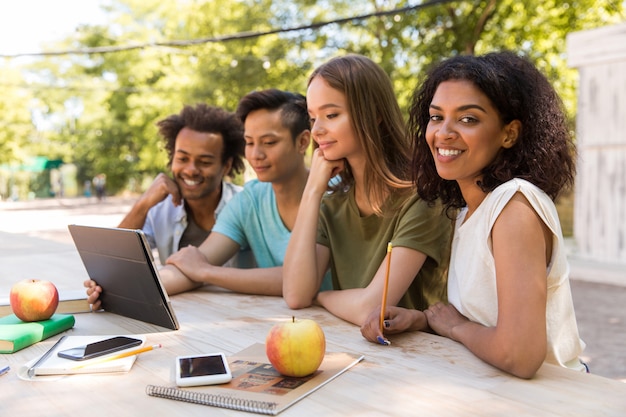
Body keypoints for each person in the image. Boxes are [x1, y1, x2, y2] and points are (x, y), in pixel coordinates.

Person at [360, 51, 586, 379]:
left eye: (468, 119)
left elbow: (519, 355)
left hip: (552, 401)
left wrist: (456, 327)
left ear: (509, 133)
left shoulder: (513, 206)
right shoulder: (469, 211)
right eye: (437, 117)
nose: (444, 133)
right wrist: (424, 320)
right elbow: (487, 320)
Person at [86, 89, 312, 309]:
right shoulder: (247, 202)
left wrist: (206, 272)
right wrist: (116, 289)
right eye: (250, 143)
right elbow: (190, 266)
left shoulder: (322, 195)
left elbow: (297, 282)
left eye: (269, 142)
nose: (256, 154)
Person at [282, 54, 452, 327]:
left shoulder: (420, 199)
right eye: (313, 118)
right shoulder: (332, 205)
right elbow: (295, 294)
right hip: (354, 352)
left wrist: (323, 296)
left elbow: (372, 308)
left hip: (420, 358)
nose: (317, 131)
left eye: (331, 115)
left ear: (374, 115)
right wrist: (312, 192)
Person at [117, 104, 245, 265]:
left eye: (204, 162)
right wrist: (142, 205)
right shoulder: (160, 208)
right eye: (182, 159)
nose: (191, 170)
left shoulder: (247, 206)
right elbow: (113, 261)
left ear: (226, 166)